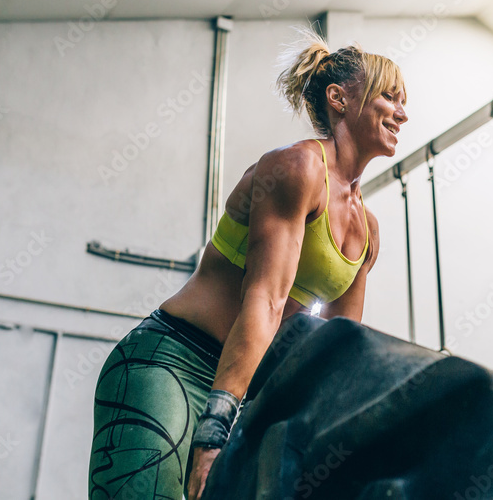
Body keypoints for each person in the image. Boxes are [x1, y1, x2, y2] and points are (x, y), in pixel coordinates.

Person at [89, 30, 408, 500]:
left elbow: (335, 354)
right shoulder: (297, 169)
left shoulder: (367, 232)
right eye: (389, 96)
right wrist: (216, 426)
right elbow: (265, 298)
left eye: (404, 103)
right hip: (175, 361)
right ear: (339, 99)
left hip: (246, 397)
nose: (401, 113)